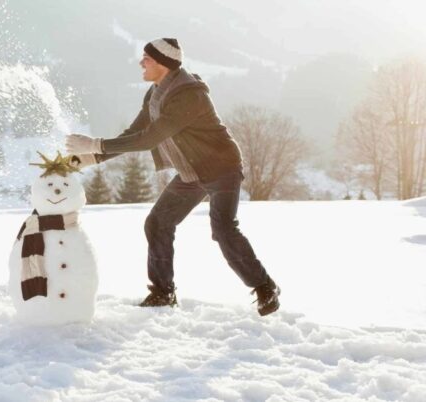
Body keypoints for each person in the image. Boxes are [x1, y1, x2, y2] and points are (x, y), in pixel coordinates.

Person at [66, 38, 280, 316]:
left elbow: (150, 138)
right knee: (158, 223)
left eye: (147, 58)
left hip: (221, 169)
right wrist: (93, 158)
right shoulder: (154, 94)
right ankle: (162, 293)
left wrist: (95, 144)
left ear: (164, 64)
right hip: (191, 173)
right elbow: (133, 134)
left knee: (223, 229)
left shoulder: (189, 94)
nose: (141, 62)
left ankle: (265, 287)